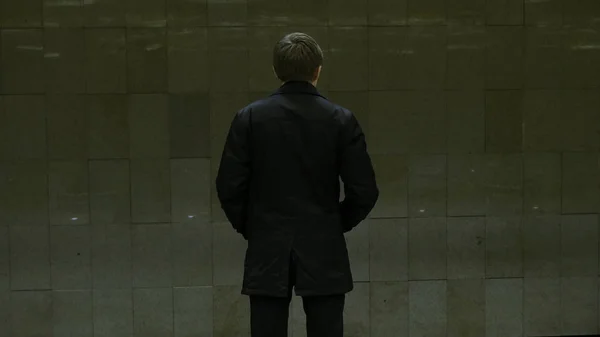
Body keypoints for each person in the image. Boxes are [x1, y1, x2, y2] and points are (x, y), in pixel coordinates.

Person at [216, 32, 379, 337]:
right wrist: (333, 223)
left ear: (276, 71)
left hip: (267, 246)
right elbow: (365, 191)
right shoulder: (341, 120)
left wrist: (254, 227)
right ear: (318, 69)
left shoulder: (249, 118)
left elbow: (229, 187)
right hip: (323, 246)